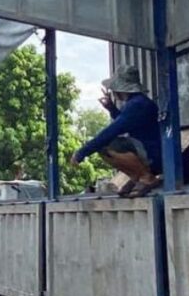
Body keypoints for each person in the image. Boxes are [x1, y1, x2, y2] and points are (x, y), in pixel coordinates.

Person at [70, 65, 163, 197]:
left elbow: (112, 131)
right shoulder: (137, 103)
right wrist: (111, 108)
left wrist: (82, 152)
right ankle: (137, 177)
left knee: (108, 145)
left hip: (153, 154)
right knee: (108, 144)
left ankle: (146, 177)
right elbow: (127, 122)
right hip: (151, 150)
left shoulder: (137, 104)